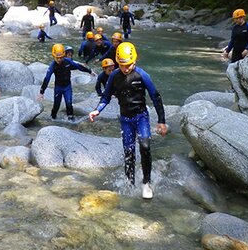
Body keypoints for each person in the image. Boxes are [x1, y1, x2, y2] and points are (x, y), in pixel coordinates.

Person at [89, 42, 167, 199]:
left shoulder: (142, 75)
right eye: (122, 65)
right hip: (125, 119)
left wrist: (161, 121)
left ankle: (146, 183)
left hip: (141, 117)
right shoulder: (114, 76)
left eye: (128, 65)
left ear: (134, 61)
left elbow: (156, 97)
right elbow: (105, 96)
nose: (125, 69)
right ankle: (129, 183)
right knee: (129, 151)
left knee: (145, 146)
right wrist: (98, 110)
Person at [37, 44, 94, 121]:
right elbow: (47, 78)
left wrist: (89, 71)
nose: (59, 60)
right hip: (58, 88)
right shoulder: (52, 66)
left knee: (69, 103)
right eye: (57, 58)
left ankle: (71, 121)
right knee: (56, 105)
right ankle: (52, 119)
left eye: (61, 57)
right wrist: (42, 92)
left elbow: (78, 66)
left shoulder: (68, 61)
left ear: (64, 56)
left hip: (67, 87)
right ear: (53, 56)